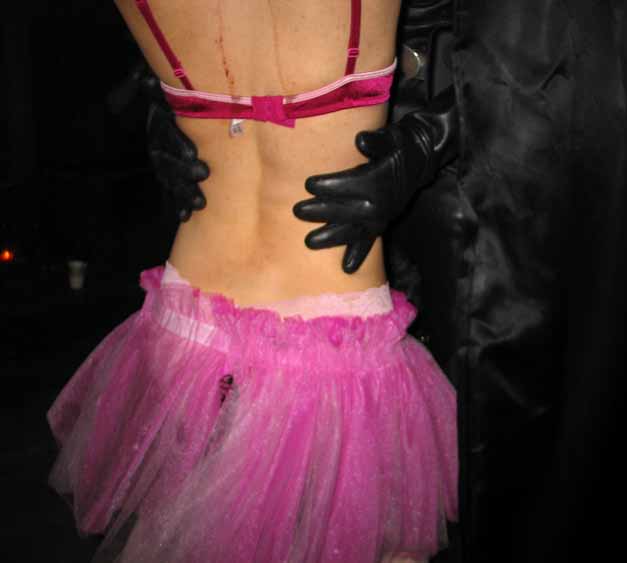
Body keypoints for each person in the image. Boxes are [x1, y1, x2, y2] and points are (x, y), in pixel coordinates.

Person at [45, 1, 458, 562]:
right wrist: (432, 134)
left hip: (187, 326)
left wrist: (158, 98)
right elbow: (531, 66)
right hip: (331, 342)